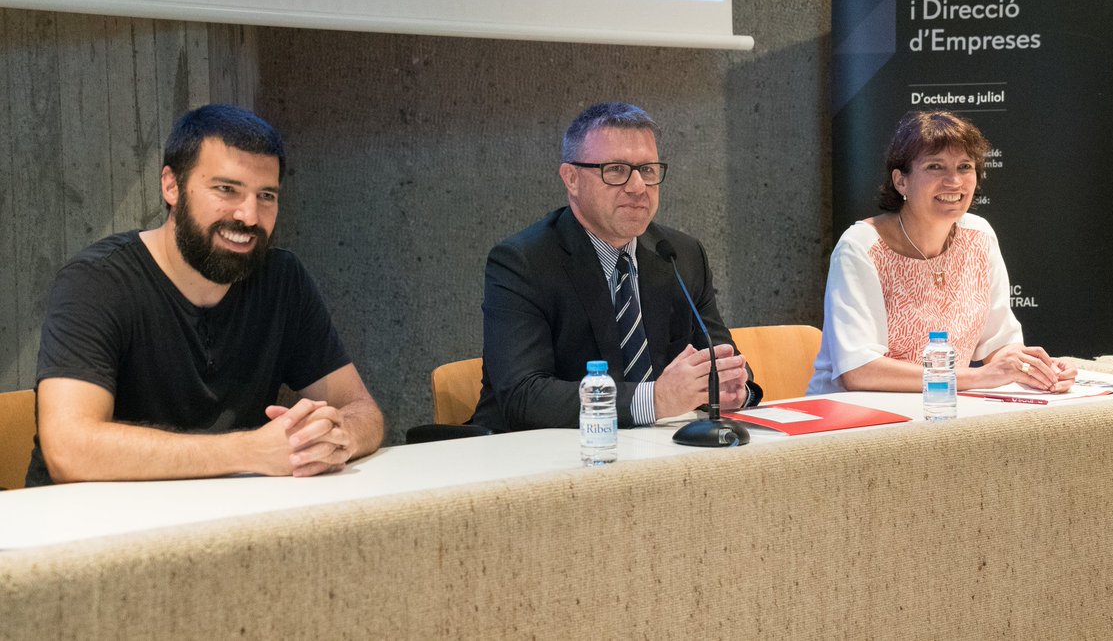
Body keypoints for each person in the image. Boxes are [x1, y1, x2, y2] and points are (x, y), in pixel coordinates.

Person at [27, 104, 384, 486]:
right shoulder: (96, 282)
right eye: (226, 189)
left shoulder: (281, 279)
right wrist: (252, 451)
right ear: (171, 186)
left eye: (266, 195)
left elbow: (363, 410)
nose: (249, 216)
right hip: (91, 531)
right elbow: (70, 450)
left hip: (226, 521)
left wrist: (331, 438)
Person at [471, 102, 761, 432]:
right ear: (572, 179)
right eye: (616, 170)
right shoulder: (523, 262)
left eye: (648, 170)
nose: (638, 187)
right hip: (540, 459)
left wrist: (732, 389)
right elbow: (524, 396)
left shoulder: (681, 254)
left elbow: (723, 359)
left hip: (653, 452)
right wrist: (654, 400)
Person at [807, 110, 1077, 395]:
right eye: (935, 167)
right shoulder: (861, 246)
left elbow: (1000, 344)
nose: (954, 182)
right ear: (901, 181)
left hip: (940, 409)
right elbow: (859, 371)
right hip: (853, 420)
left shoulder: (980, 236)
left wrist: (1033, 370)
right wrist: (980, 377)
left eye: (965, 167)